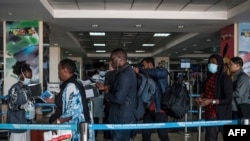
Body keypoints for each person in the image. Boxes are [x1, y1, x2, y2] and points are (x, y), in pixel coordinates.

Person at [96, 48, 137, 141]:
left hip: (122, 117)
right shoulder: (123, 72)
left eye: (112, 58)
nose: (111, 62)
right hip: (121, 115)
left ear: (120, 59)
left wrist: (106, 93)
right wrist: (106, 88)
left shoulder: (125, 74)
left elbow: (119, 99)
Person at [47, 58, 93, 141]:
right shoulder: (76, 82)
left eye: (59, 70)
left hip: (76, 128)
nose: (58, 73)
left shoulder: (71, 86)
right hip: (79, 126)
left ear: (65, 70)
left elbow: (72, 111)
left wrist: (57, 122)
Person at [195, 54, 233, 141]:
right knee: (210, 137)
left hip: (220, 113)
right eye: (209, 62)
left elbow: (228, 99)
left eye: (213, 62)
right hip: (209, 112)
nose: (211, 64)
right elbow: (206, 92)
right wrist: (200, 98)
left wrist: (212, 101)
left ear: (219, 64)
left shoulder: (225, 79)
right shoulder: (209, 78)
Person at [133, 57, 170, 141]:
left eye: (144, 65)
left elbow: (158, 73)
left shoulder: (162, 71)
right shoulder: (144, 76)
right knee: (145, 134)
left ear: (150, 64)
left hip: (160, 110)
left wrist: (140, 70)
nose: (142, 67)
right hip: (148, 110)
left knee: (163, 134)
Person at [7, 61, 33, 141]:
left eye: (30, 77)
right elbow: (11, 106)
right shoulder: (15, 89)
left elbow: (29, 100)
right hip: (17, 123)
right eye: (27, 77)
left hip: (26, 122)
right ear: (21, 75)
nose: (29, 79)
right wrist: (21, 106)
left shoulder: (27, 88)